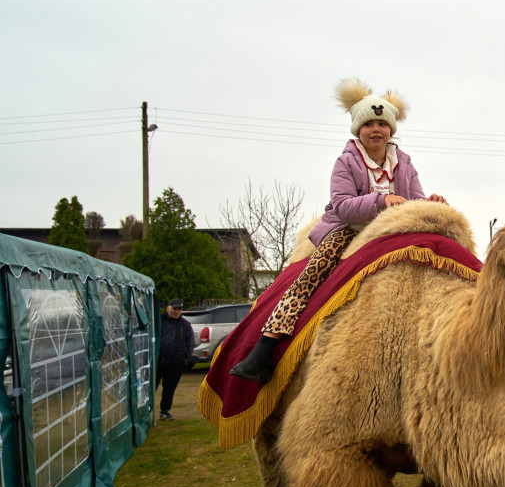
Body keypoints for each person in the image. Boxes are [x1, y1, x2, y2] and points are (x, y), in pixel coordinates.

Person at [230, 78, 447, 383]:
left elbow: (415, 198)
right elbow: (343, 205)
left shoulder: (404, 163)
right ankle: (267, 345)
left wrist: (430, 203)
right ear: (358, 129)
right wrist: (382, 200)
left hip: (395, 230)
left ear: (390, 130)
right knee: (314, 271)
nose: (376, 130)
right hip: (350, 229)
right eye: (369, 123)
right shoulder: (346, 162)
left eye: (382, 124)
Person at [156, 298, 194, 420]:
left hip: (176, 362)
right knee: (151, 386)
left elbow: (190, 342)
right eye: (174, 309)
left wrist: (186, 358)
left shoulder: (185, 325)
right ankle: (146, 409)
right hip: (158, 361)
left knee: (169, 388)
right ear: (168, 308)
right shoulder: (158, 322)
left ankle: (165, 410)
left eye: (179, 309)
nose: (177, 312)